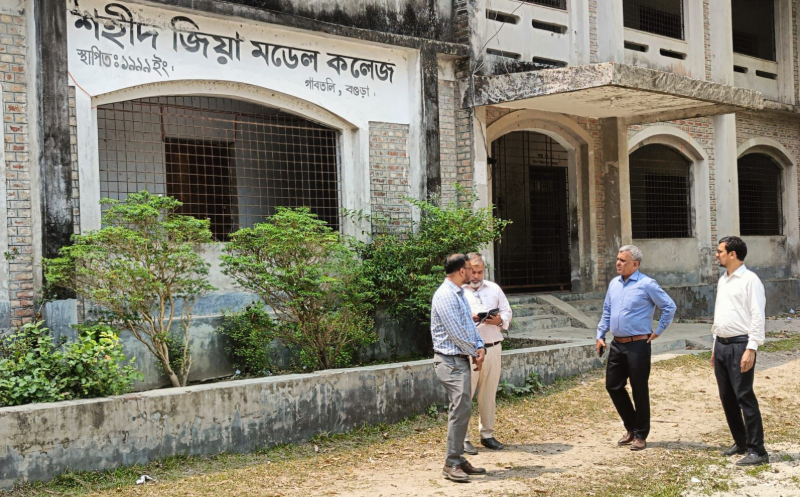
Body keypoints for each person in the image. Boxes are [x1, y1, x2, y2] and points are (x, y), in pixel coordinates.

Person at [596, 245, 676, 451]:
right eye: (618, 259)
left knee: (639, 389)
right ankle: (631, 427)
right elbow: (607, 310)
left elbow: (669, 306)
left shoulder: (647, 284)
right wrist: (600, 334)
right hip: (617, 344)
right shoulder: (614, 284)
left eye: (623, 260)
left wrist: (658, 330)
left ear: (635, 264)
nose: (618, 263)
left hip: (638, 345)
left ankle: (641, 434)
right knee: (612, 385)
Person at [712, 236, 769, 466]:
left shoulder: (750, 280)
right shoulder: (722, 281)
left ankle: (758, 451)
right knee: (727, 397)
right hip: (722, 345)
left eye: (720, 251)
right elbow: (720, 314)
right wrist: (714, 346)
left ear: (733, 254)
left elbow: (757, 315)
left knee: (744, 396)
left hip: (740, 345)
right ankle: (741, 441)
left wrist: (751, 348)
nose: (717, 255)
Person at [431, 253, 488, 482]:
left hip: (460, 359)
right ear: (461, 271)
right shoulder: (445, 295)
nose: (471, 272)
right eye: (468, 268)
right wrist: (474, 351)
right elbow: (455, 333)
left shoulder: (459, 294)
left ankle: (459, 458)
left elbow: (469, 325)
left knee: (463, 409)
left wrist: (480, 345)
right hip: (450, 361)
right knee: (459, 410)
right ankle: (451, 462)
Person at [461, 252, 512, 454]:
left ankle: (487, 434)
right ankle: (462, 438)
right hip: (469, 350)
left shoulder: (494, 289)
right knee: (465, 394)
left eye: (479, 272)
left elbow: (507, 311)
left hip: (493, 346)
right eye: (473, 272)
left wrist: (499, 320)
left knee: (489, 394)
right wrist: (471, 318)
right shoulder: (459, 291)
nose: (476, 276)